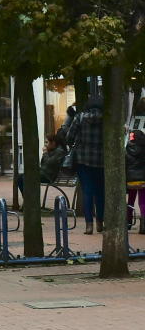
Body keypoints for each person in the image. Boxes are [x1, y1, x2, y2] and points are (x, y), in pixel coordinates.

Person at [67, 96, 104, 234]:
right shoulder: (107, 118)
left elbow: (69, 137)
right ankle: (100, 222)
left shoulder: (80, 117)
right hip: (102, 160)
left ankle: (89, 225)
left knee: (87, 191)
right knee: (100, 192)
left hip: (83, 160)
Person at [126, 130, 145, 234]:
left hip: (131, 180)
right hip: (143, 179)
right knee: (143, 201)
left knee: (130, 201)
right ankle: (143, 225)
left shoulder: (127, 148)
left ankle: (128, 223)